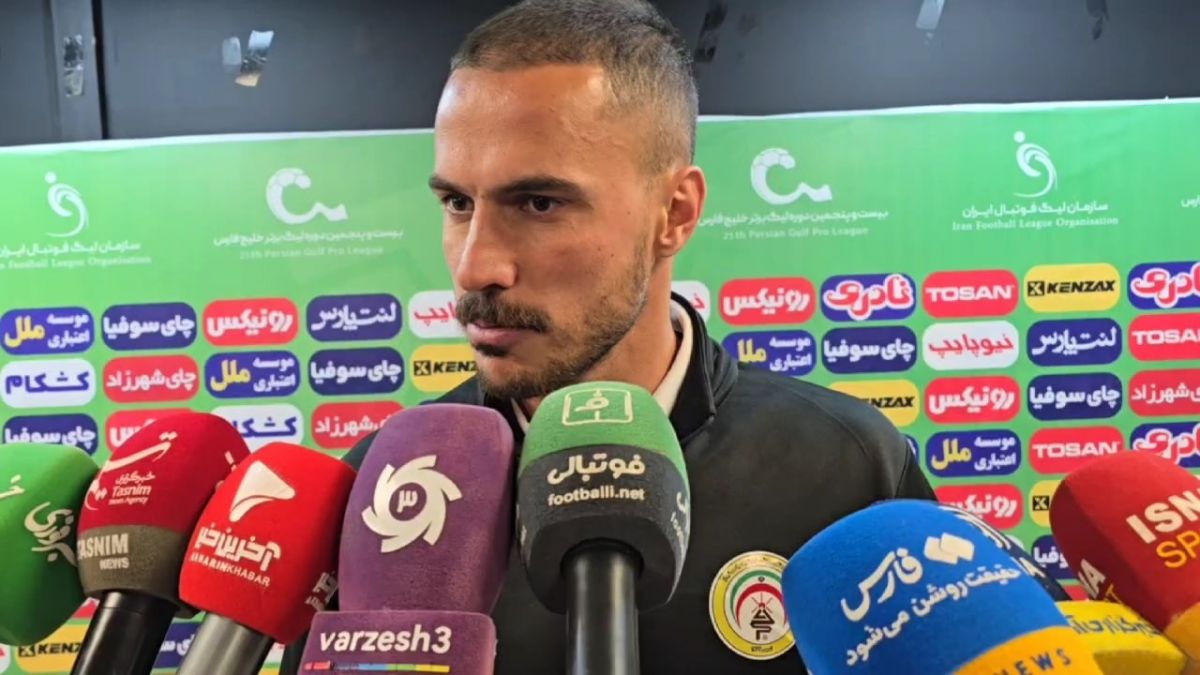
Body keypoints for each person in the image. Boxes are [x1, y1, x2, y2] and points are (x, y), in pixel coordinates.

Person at [282, 1, 936, 672]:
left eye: (539, 204)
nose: (476, 268)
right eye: (458, 203)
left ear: (674, 214)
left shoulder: (848, 464)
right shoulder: (381, 487)